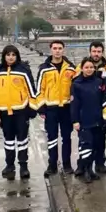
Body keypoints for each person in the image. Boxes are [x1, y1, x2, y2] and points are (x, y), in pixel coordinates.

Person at [0, 45, 37, 181]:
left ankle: (23, 166)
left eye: (13, 55)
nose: (10, 57)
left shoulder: (23, 70)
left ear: (17, 56)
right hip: (5, 112)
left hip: (21, 111)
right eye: (8, 55)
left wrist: (32, 109)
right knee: (9, 141)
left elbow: (32, 91)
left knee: (22, 140)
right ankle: (9, 165)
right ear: (4, 56)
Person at [36, 40, 76, 177]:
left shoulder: (71, 68)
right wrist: (41, 108)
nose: (57, 50)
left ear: (63, 50)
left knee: (67, 137)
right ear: (51, 50)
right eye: (55, 48)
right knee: (52, 137)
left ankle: (67, 164)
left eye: (60, 48)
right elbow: (39, 89)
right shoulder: (44, 68)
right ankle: (52, 165)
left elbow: (75, 88)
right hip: (51, 109)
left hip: (66, 108)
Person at [76, 41, 106, 174]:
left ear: (102, 52)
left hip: (102, 107)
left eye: (99, 52)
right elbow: (75, 84)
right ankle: (82, 164)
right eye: (94, 51)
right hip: (85, 109)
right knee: (84, 140)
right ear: (90, 51)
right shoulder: (81, 66)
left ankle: (100, 163)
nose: (96, 54)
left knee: (100, 139)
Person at [71, 58, 106, 183]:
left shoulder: (99, 81)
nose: (89, 69)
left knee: (96, 146)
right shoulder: (76, 84)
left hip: (98, 119)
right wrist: (75, 120)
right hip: (84, 120)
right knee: (86, 146)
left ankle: (91, 169)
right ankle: (85, 169)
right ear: (82, 69)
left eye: (91, 67)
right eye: (86, 67)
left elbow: (104, 100)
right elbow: (74, 104)